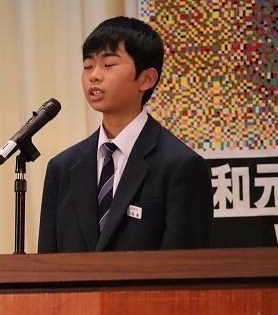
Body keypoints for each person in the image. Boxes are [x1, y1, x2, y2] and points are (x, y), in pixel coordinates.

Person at [38, 16, 213, 253]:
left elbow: (186, 267)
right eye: (88, 65)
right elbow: (48, 264)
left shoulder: (180, 166)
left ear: (146, 79)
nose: (94, 75)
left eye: (109, 64)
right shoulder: (62, 168)